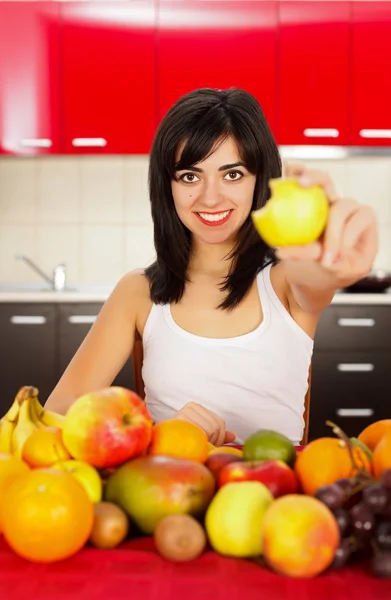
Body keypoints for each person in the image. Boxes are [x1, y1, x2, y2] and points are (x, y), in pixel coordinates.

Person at [45, 88, 378, 446]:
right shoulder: (138, 291)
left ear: (259, 180)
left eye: (232, 174)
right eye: (190, 176)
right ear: (167, 187)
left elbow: (319, 275)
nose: (210, 197)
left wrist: (338, 257)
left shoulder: (285, 280)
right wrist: (157, 434)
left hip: (280, 497)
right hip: (168, 494)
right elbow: (57, 413)